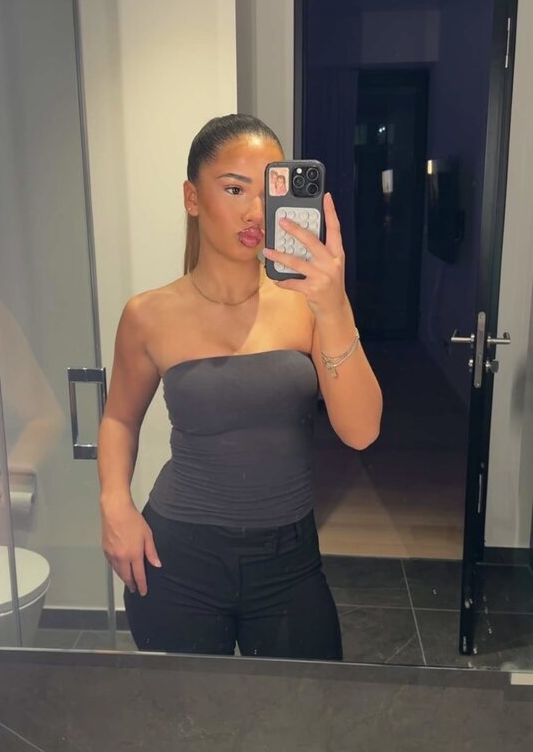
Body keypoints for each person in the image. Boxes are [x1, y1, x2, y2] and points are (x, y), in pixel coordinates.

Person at [97, 114, 383, 659]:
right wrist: (115, 504)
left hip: (289, 560)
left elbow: (362, 431)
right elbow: (119, 418)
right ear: (192, 197)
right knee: (189, 710)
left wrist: (333, 306)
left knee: (303, 707)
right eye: (234, 189)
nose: (255, 213)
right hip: (177, 557)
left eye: (268, 193)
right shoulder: (149, 315)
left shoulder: (308, 304)